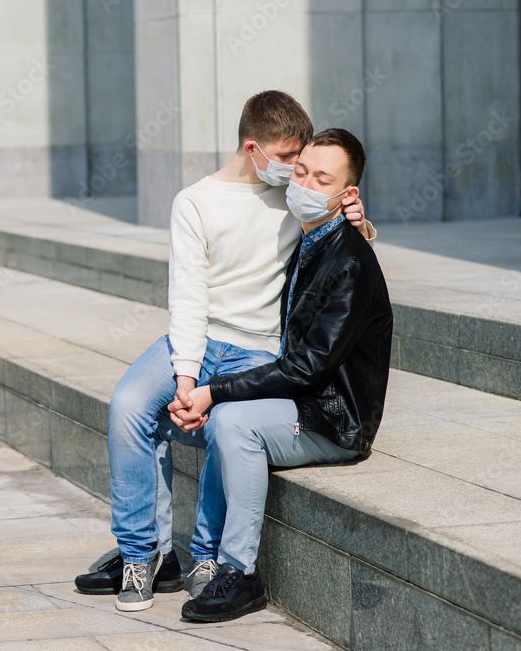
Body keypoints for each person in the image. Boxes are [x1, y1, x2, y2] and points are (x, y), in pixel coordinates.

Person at [73, 91, 376, 612]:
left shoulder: (298, 194)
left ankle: (207, 555)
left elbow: (339, 248)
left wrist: (360, 222)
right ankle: (143, 555)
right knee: (128, 407)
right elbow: (188, 297)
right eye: (287, 159)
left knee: (225, 422)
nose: (296, 172)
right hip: (198, 338)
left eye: (302, 162)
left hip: (260, 347)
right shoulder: (195, 202)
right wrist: (187, 379)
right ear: (253, 147)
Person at [171, 128, 393, 623]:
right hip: (304, 402)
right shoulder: (311, 238)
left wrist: (212, 390)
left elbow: (305, 367)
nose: (305, 185)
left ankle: (240, 573)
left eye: (322, 178)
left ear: (347, 194)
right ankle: (167, 552)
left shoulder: (349, 265)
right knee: (221, 418)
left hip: (336, 421)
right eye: (300, 172)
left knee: (231, 423)